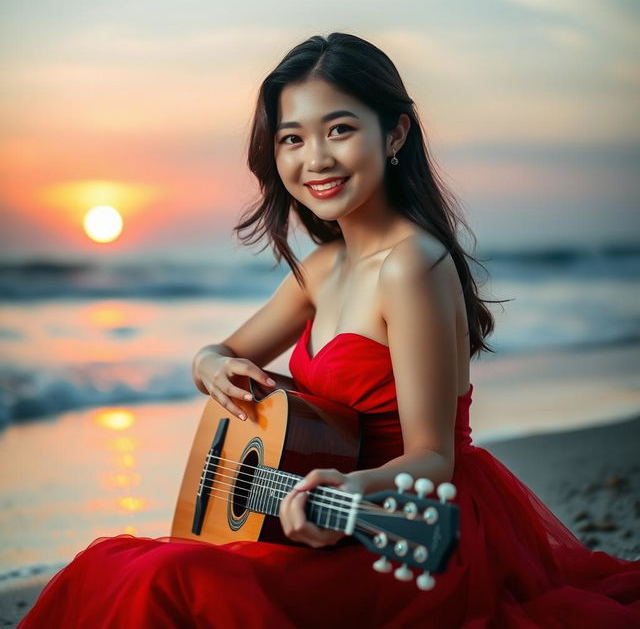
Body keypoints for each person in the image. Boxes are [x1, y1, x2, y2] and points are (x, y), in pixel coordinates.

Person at [19, 32, 640, 629]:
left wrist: (346, 489)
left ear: (394, 132)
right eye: (292, 138)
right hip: (317, 506)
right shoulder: (322, 267)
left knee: (162, 579)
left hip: (402, 522)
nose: (315, 159)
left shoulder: (413, 266)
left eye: (339, 129)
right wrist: (210, 366)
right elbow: (222, 352)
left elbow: (435, 458)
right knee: (107, 566)